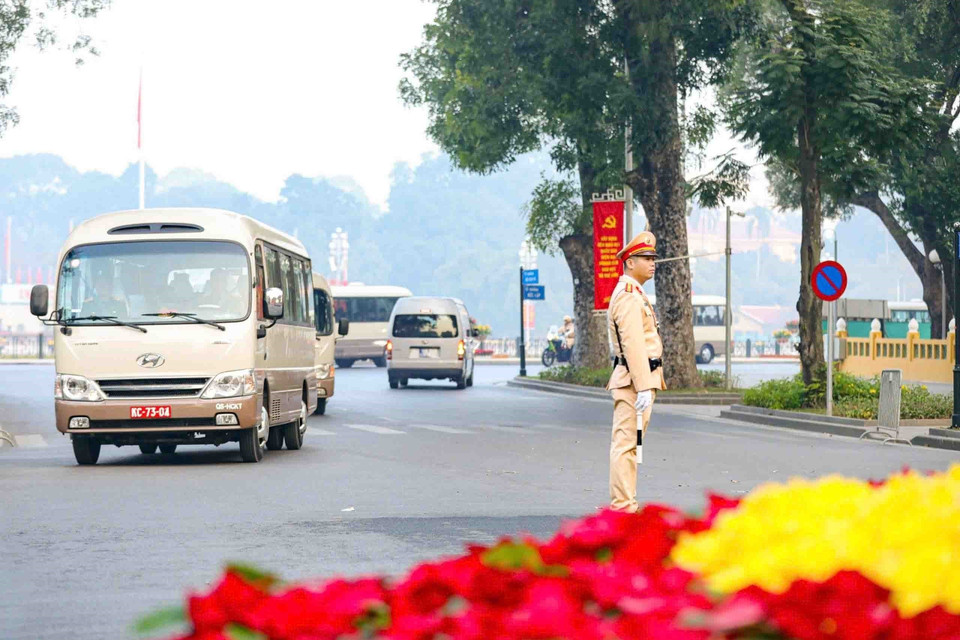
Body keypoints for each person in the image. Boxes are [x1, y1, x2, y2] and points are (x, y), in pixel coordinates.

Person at [605, 230, 666, 513]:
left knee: (632, 446)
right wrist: (642, 385)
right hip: (633, 382)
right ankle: (622, 507)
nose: (652, 262)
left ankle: (627, 503)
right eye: (646, 257)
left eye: (653, 257)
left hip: (639, 380)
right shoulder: (629, 296)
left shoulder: (635, 293)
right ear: (630, 262)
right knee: (626, 445)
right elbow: (633, 345)